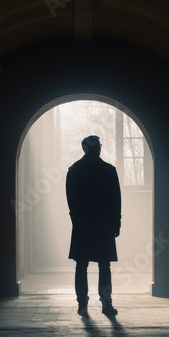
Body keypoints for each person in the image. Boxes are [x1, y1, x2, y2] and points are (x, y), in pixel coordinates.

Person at [66, 135, 121, 317]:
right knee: (104, 266)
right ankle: (106, 304)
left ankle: (82, 304)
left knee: (81, 266)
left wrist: (76, 220)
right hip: (103, 225)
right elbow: (115, 200)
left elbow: (71, 201)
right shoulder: (108, 170)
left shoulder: (74, 170)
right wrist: (116, 222)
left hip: (82, 224)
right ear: (97, 148)